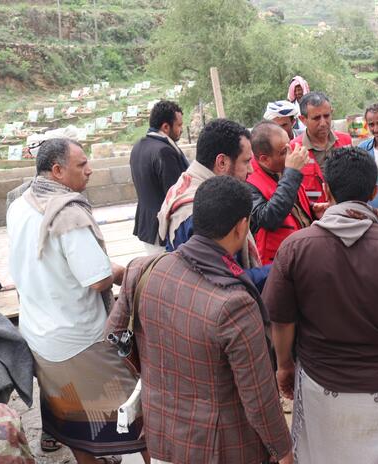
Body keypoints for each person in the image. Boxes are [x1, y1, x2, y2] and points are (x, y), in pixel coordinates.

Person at [265, 146, 378, 464]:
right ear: (373, 191)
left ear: (326, 190)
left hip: (319, 383)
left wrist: (285, 365)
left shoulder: (296, 247)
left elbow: (282, 322)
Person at [107, 175, 292, 464]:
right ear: (242, 226)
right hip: (220, 446)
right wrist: (283, 449)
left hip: (160, 432)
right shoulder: (234, 303)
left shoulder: (142, 270)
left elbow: (115, 337)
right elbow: (259, 397)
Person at [6, 139, 146, 464]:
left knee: (75, 426)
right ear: (57, 171)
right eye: (81, 164)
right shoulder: (67, 214)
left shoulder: (20, 203)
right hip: (80, 340)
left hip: (39, 335)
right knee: (134, 421)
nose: (90, 169)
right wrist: (125, 272)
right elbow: (97, 278)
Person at [156, 119, 266, 289]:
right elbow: (223, 281)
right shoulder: (201, 209)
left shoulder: (187, 184)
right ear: (222, 162)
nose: (251, 170)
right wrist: (279, 269)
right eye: (246, 161)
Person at [247, 121, 315, 264]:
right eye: (284, 152)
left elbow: (292, 206)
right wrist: (292, 172)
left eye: (290, 145)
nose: (292, 153)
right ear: (264, 159)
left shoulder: (281, 169)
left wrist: (313, 209)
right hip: (278, 264)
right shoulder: (248, 181)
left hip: (302, 253)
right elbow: (268, 218)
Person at [130, 100, 189, 252]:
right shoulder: (164, 151)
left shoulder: (138, 146)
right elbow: (175, 195)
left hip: (147, 227)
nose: (181, 130)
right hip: (163, 231)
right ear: (165, 127)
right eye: (179, 125)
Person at [289, 91, 353, 204]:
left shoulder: (346, 141)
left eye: (327, 116)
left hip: (343, 214)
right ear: (303, 119)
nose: (323, 123)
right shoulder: (294, 149)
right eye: (316, 118)